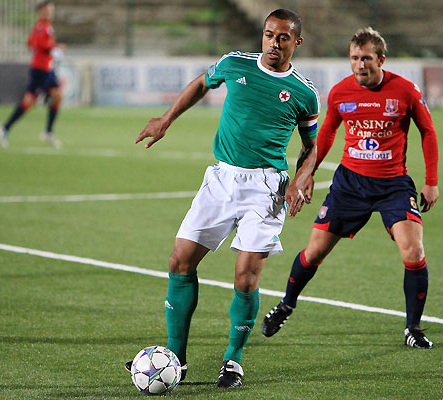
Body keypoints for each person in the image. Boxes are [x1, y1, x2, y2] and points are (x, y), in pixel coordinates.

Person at [127, 9, 320, 388]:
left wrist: (303, 175)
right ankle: (175, 360)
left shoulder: (304, 92)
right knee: (179, 261)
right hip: (221, 178)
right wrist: (167, 119)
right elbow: (201, 83)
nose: (273, 44)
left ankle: (232, 361)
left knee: (245, 277)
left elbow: (312, 145)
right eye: (268, 35)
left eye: (282, 38)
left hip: (265, 190)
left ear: (296, 42)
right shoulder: (234, 63)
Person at [261, 27, 439, 349]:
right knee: (314, 251)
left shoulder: (405, 91)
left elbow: (427, 131)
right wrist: (308, 172)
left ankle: (413, 328)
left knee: (413, 251)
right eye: (354, 58)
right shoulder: (341, 92)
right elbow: (325, 134)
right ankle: (287, 303)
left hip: (393, 185)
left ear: (381, 59)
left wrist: (431, 182)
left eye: (366, 58)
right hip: (350, 185)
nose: (360, 65)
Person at [0, 0, 64, 149]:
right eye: (46, 10)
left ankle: (48, 132)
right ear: (40, 12)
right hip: (40, 70)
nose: (49, 13)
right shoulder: (42, 27)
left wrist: (48, 49)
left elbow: (30, 44)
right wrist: (55, 47)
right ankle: (5, 127)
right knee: (29, 101)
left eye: (51, 10)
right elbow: (40, 45)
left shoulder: (42, 27)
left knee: (58, 95)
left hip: (48, 69)